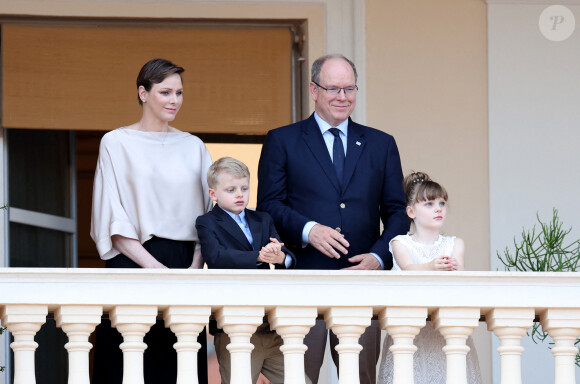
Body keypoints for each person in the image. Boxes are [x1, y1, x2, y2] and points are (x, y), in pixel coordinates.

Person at [257, 53, 409, 384]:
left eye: (349, 88)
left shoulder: (381, 144)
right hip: (303, 281)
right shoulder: (282, 140)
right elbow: (268, 205)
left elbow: (397, 212)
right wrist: (308, 230)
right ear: (313, 90)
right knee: (298, 377)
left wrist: (379, 258)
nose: (342, 97)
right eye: (333, 89)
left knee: (362, 377)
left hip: (362, 282)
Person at [90, 58, 212, 384]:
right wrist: (155, 268)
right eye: (165, 92)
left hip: (185, 265)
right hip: (132, 261)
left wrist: (193, 268)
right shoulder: (115, 143)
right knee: (128, 366)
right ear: (143, 93)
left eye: (179, 93)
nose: (174, 100)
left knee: (179, 365)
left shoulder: (195, 147)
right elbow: (112, 216)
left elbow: (207, 217)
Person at [196, 157, 296, 384]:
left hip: (269, 326)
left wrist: (280, 257)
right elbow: (216, 257)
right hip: (234, 324)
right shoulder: (207, 222)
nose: (240, 194)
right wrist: (258, 256)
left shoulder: (262, 218)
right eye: (231, 190)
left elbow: (283, 252)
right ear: (213, 194)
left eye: (244, 188)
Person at [377, 171, 482, 384]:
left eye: (442, 203)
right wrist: (431, 266)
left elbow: (460, 276)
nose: (438, 209)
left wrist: (453, 268)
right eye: (429, 204)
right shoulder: (400, 243)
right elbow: (407, 268)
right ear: (411, 211)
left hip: (445, 332)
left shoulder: (455, 244)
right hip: (410, 332)